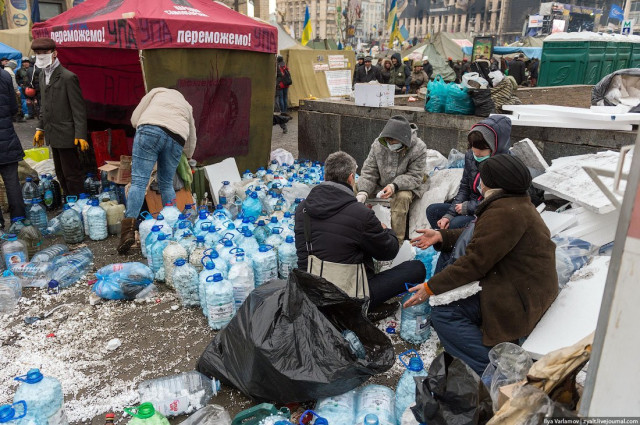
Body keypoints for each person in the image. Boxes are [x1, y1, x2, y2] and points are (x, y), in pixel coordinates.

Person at [407, 154, 558, 376]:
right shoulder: (513, 202)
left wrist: (430, 287)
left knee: (444, 312)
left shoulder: (505, 212)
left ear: (492, 182)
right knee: (449, 277)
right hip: (516, 282)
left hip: (519, 296)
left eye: (482, 177)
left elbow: (474, 263)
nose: (479, 182)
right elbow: (480, 235)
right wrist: (441, 236)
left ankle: (494, 369)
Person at [294, 151, 426, 309]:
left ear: (324, 176)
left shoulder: (302, 209)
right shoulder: (360, 214)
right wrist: (385, 230)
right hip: (350, 298)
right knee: (416, 268)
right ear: (351, 178)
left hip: (313, 292)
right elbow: (389, 252)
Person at [118, 87, 197, 254]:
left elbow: (134, 118)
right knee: (166, 183)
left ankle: (127, 234)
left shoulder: (156, 92)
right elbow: (192, 137)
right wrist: (188, 155)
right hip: (177, 137)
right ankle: (172, 229)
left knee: (139, 182)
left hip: (149, 129)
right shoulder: (186, 105)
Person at [426, 115, 511, 231]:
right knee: (433, 211)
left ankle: (453, 241)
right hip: (469, 205)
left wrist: (469, 207)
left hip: (488, 213)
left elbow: (499, 201)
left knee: (455, 224)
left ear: (495, 146)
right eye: (473, 147)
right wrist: (449, 215)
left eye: (482, 149)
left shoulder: (505, 165)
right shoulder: (471, 156)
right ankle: (443, 238)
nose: (476, 152)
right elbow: (464, 188)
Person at [357, 115, 427, 242]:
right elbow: (369, 171)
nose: (390, 145)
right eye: (388, 142)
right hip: (380, 184)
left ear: (403, 141)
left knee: (402, 198)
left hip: (405, 186)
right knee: (354, 188)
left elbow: (415, 176)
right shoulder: (378, 144)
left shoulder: (419, 148)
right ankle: (355, 232)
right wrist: (363, 191)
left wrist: (394, 186)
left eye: (394, 143)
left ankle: (395, 241)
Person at [31, 38, 88, 197]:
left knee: (71, 173)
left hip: (67, 134)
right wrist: (40, 128)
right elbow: (44, 105)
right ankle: (68, 200)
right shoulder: (42, 75)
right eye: (38, 53)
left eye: (45, 52)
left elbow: (78, 109)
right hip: (52, 133)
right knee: (60, 172)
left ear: (54, 53)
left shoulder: (68, 77)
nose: (41, 56)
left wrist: (80, 134)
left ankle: (78, 200)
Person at [0, 66, 26, 229]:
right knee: (12, 182)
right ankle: (18, 220)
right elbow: (13, 108)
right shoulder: (4, 75)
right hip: (7, 138)